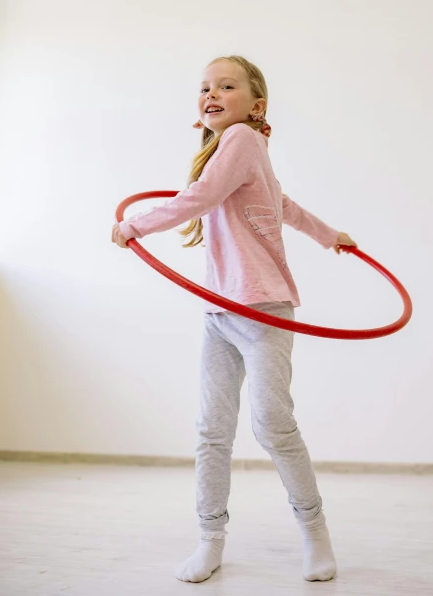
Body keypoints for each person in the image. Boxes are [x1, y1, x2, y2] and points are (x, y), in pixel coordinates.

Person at [111, 55, 357, 583]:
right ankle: (210, 540)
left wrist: (136, 225)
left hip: (263, 309)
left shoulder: (243, 140)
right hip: (221, 310)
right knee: (212, 430)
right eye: (205, 87)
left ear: (255, 105)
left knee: (272, 425)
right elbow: (281, 204)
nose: (211, 93)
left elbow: (200, 199)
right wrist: (327, 233)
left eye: (226, 85)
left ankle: (315, 532)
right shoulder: (235, 147)